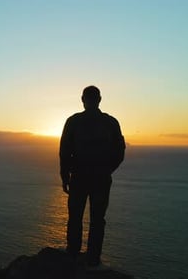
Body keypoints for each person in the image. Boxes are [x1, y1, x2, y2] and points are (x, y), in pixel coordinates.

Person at [59, 85, 125, 267]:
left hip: (79, 177)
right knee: (97, 219)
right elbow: (120, 151)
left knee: (75, 217)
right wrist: (107, 169)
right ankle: (93, 258)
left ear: (82, 99)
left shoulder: (73, 121)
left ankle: (72, 253)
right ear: (100, 99)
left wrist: (65, 176)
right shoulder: (111, 122)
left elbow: (64, 151)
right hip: (101, 178)